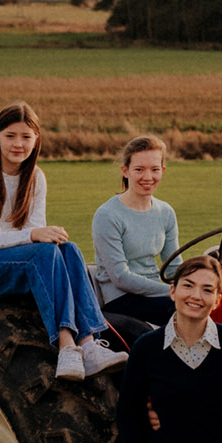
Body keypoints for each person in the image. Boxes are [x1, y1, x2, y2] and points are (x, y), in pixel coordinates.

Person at [0, 101, 127, 381]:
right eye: (10, 136)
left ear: (36, 140)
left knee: (69, 250)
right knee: (44, 254)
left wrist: (41, 236)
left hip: (20, 256)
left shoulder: (35, 177)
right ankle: (66, 345)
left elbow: (37, 236)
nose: (18, 144)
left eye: (26, 136)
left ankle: (89, 345)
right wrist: (35, 235)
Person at [117, 255, 222, 443]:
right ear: (173, 291)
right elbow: (127, 412)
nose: (196, 296)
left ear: (217, 300)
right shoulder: (147, 348)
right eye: (188, 285)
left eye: (207, 290)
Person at [92, 136, 181, 328]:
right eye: (139, 169)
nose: (148, 177)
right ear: (125, 171)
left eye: (155, 169)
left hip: (154, 293)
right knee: (181, 310)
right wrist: (174, 291)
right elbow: (121, 277)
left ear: (163, 170)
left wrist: (195, 282)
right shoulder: (108, 215)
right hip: (120, 297)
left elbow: (174, 267)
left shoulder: (165, 212)